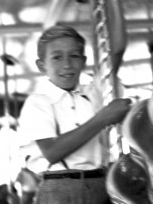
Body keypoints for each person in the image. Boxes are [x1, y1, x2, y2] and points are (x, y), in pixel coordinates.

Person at [18, 25, 131, 204]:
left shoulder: (93, 94)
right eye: (57, 57)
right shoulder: (38, 103)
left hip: (100, 184)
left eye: (74, 56)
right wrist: (103, 118)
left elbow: (115, 51)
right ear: (42, 65)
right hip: (59, 189)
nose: (67, 65)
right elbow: (53, 151)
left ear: (83, 61)